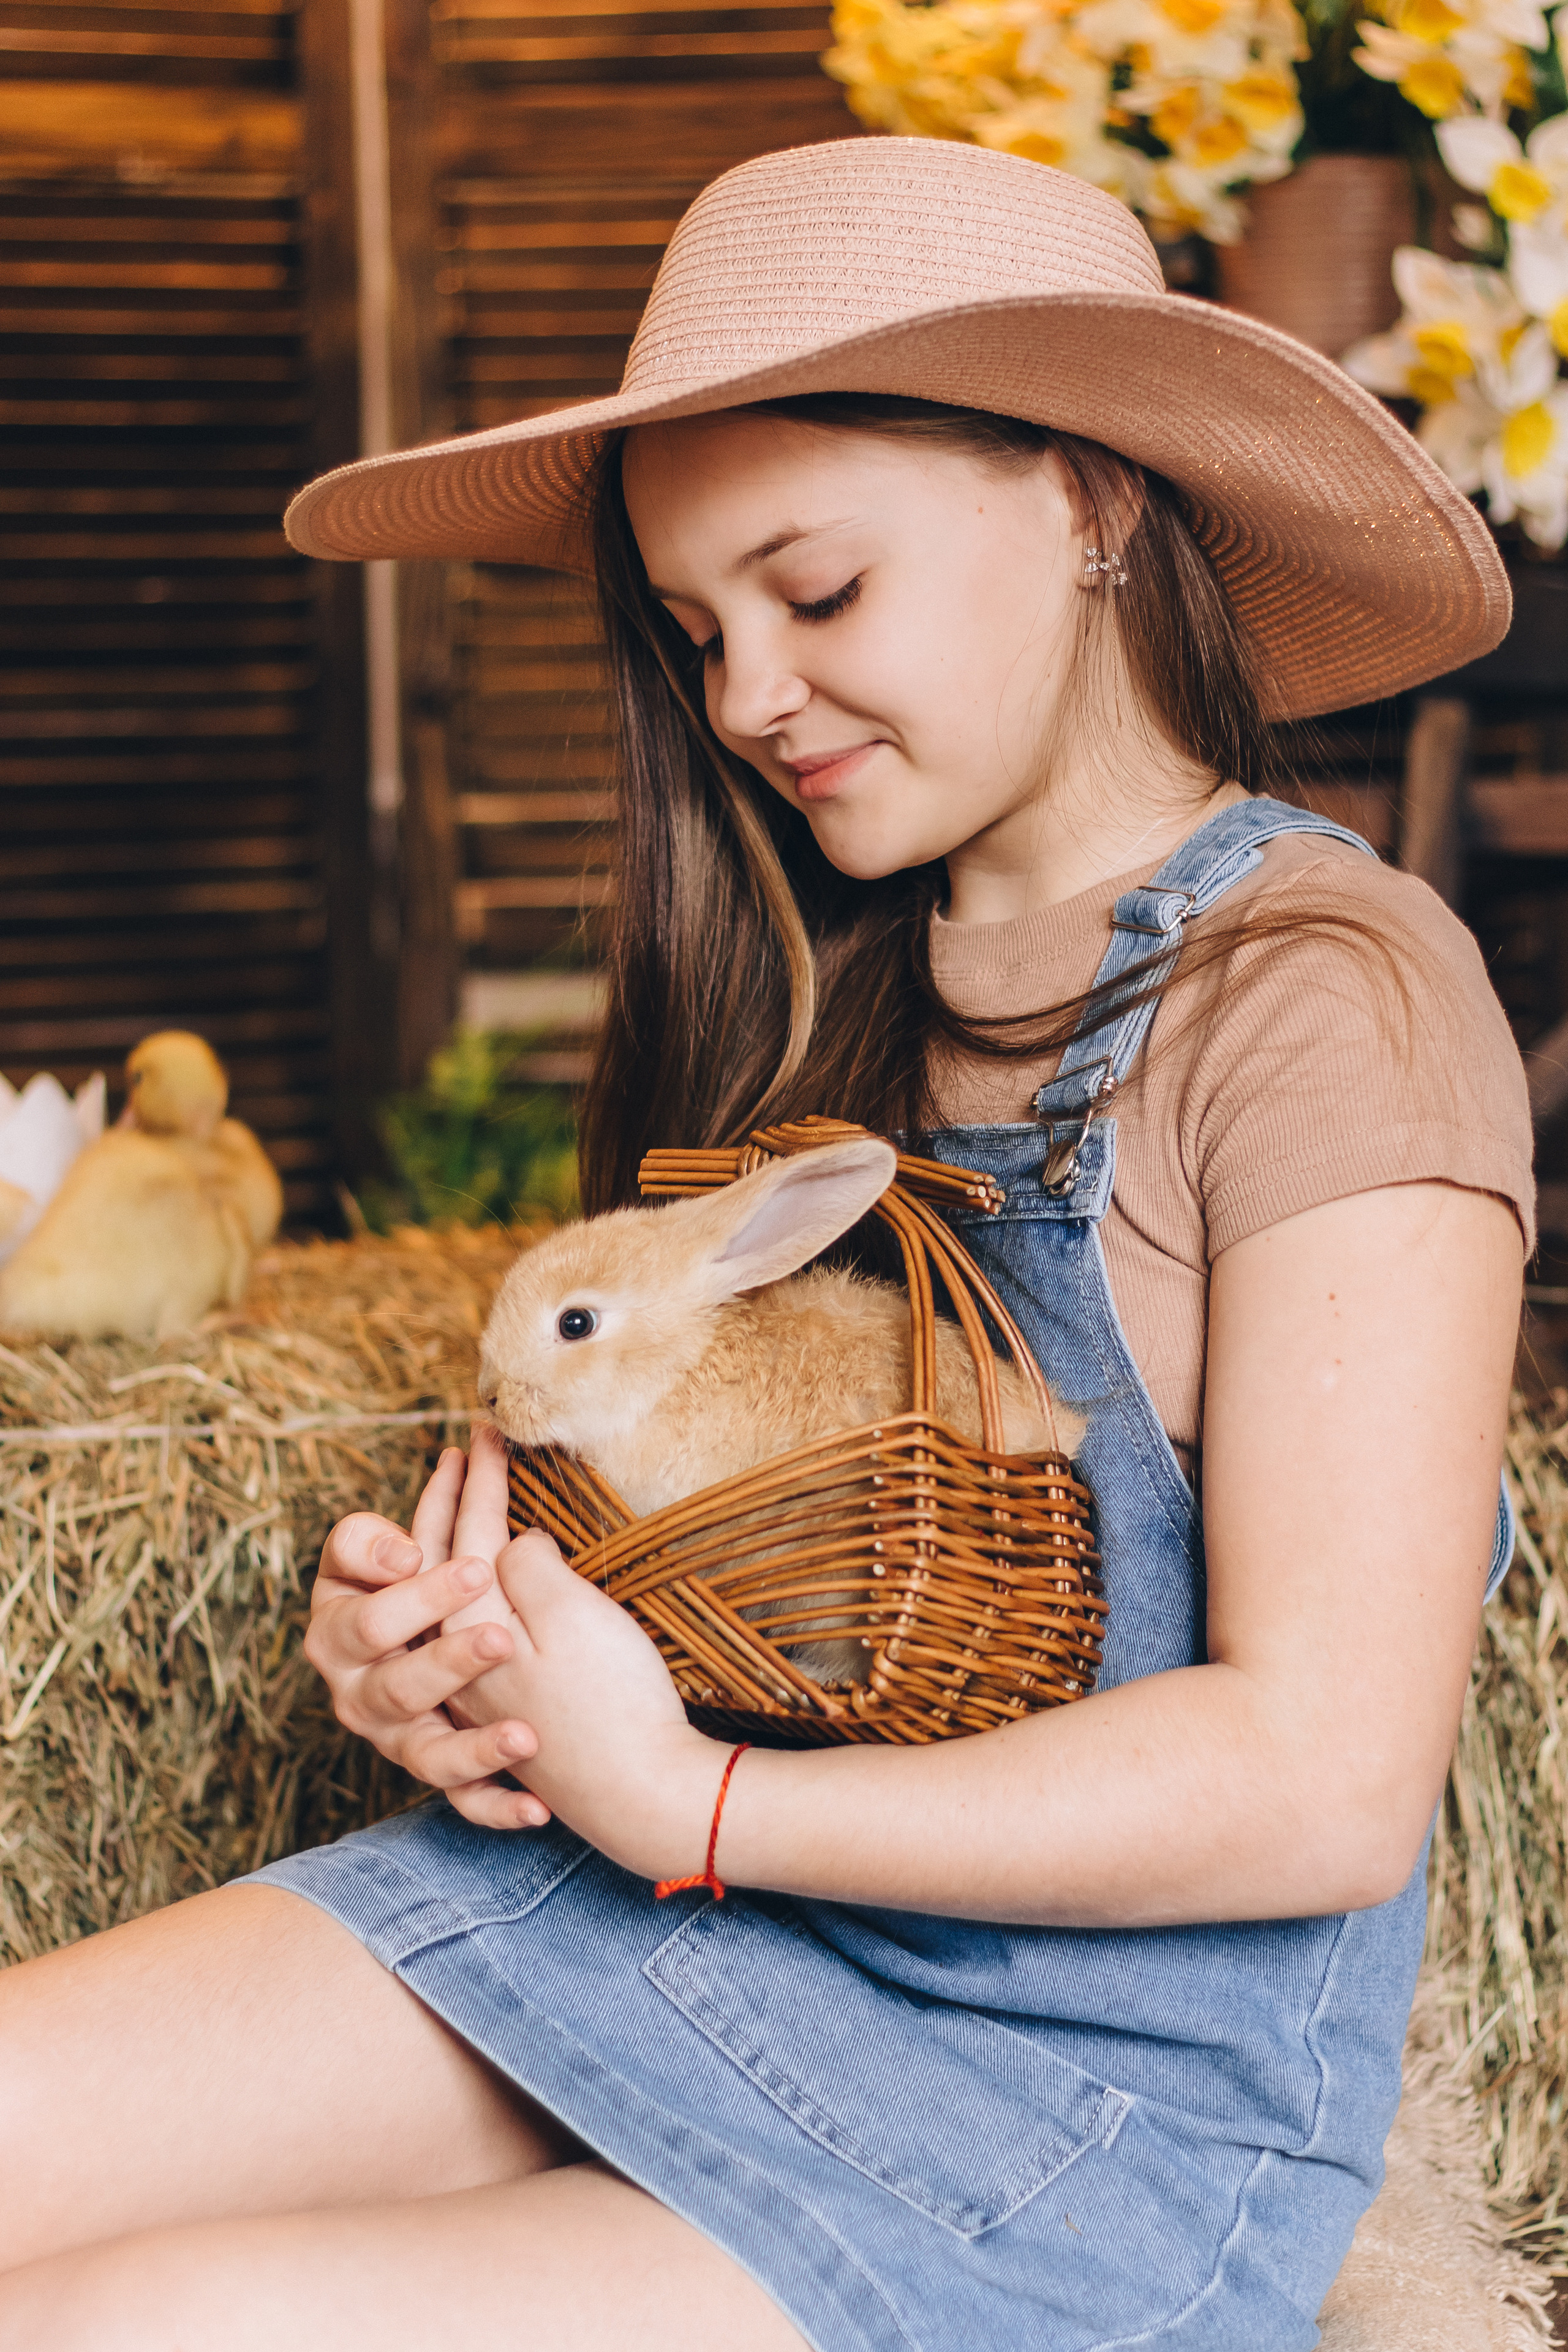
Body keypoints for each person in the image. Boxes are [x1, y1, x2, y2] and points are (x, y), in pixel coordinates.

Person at [0, 137, 1531, 2351]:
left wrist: (692, 1801)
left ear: (1093, 498)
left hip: (1060, 2122)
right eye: (697, 631)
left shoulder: (1329, 1001)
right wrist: (473, 1673)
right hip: (638, 1919)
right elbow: (749, 1591)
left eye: (815, 596)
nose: (740, 702)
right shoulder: (812, 980)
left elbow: (1318, 1780)